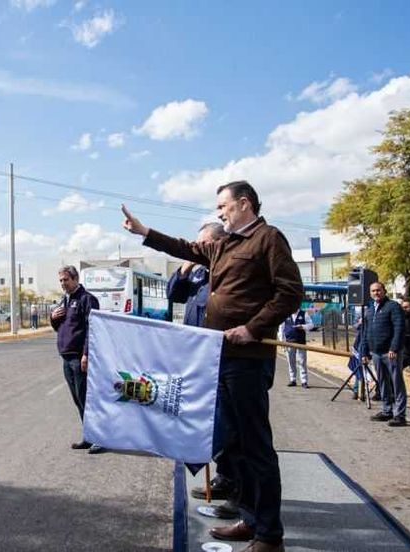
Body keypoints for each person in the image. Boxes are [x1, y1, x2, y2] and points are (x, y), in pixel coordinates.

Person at [123, 180, 302, 552]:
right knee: (234, 445)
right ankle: (250, 519)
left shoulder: (269, 238)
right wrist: (144, 231)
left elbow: (290, 292)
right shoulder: (224, 244)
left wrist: (253, 328)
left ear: (245, 203)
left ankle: (270, 536)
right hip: (219, 357)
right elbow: (185, 248)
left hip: (247, 360)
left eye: (224, 206)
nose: (220, 212)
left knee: (256, 447)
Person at [167, 222, 241, 519]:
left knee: (230, 425)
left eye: (202, 243)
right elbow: (175, 294)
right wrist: (186, 265)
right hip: (197, 359)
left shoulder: (227, 270)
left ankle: (240, 492)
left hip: (222, 359)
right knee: (210, 422)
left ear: (217, 243)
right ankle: (224, 479)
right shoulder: (198, 272)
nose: (197, 248)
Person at [50, 265, 103, 454]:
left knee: (87, 399)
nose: (63, 284)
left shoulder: (87, 299)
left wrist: (86, 354)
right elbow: (60, 328)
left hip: (79, 358)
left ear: (75, 278)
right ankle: (88, 436)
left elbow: (93, 329)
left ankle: (99, 438)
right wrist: (53, 318)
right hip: (66, 357)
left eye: (66, 280)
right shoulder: (64, 301)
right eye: (61, 281)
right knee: (78, 400)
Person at [360, 282, 407, 426]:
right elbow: (366, 332)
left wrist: (394, 348)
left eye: (378, 290)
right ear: (370, 293)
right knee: (383, 383)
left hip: (390, 353)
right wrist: (364, 351)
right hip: (376, 353)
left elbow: (399, 328)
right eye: (373, 291)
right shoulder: (369, 310)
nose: (376, 293)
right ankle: (387, 411)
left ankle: (400, 415)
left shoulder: (393, 307)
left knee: (396, 383)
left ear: (384, 291)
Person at [280, 308, 315, 388]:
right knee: (291, 361)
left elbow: (311, 325)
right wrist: (282, 341)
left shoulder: (304, 314)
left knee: (302, 361)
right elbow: (281, 328)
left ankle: (304, 381)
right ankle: (293, 379)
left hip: (301, 342)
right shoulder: (286, 314)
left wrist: (302, 326)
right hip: (289, 342)